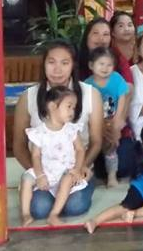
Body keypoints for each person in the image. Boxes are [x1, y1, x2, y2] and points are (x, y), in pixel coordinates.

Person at [13, 41, 104, 220]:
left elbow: (96, 141)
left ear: (73, 65)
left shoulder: (90, 94)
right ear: (44, 64)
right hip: (44, 171)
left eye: (64, 63)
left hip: (76, 168)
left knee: (74, 206)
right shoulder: (28, 97)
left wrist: (81, 167)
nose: (57, 69)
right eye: (51, 62)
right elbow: (18, 145)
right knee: (39, 209)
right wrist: (38, 173)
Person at [19, 85, 88, 226]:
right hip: (46, 170)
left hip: (65, 170)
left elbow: (80, 150)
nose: (72, 111)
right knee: (26, 178)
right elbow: (36, 156)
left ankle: (54, 214)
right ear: (52, 106)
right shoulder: (39, 132)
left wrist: (77, 169)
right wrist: (40, 175)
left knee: (68, 179)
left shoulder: (71, 130)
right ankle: (25, 214)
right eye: (69, 106)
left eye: (74, 108)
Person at [84, 47, 130, 187]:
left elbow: (122, 97)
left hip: (112, 121)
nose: (105, 68)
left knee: (111, 146)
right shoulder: (87, 84)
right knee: (89, 145)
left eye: (109, 65)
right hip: (94, 123)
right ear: (91, 65)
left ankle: (112, 175)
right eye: (101, 64)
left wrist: (118, 119)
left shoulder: (116, 79)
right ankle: (87, 172)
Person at [109, 11, 137, 84]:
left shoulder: (141, 48)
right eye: (121, 26)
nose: (126, 29)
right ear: (112, 32)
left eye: (130, 25)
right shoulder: (108, 52)